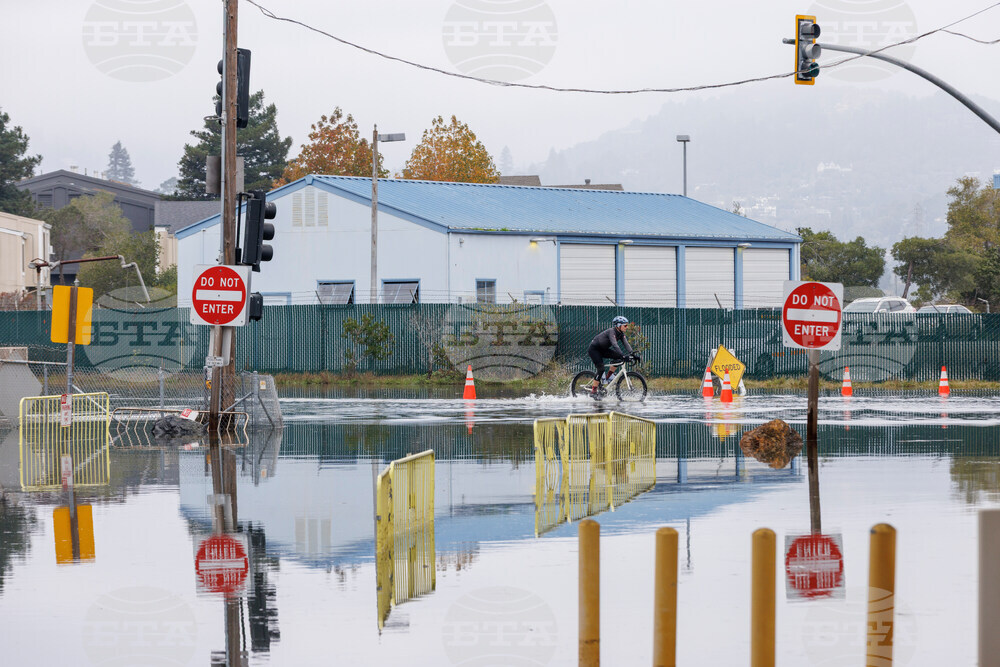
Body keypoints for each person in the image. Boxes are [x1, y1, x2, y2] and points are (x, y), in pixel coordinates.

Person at [587, 315, 640, 396]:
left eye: (627, 325)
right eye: (625, 325)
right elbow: (615, 345)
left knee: (619, 358)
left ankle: (608, 378)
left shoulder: (621, 334)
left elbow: (626, 344)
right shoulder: (611, 331)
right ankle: (593, 391)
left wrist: (632, 354)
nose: (627, 327)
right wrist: (623, 356)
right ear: (618, 325)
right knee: (601, 369)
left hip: (603, 350)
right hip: (594, 350)